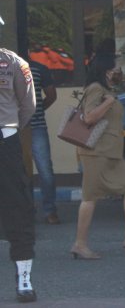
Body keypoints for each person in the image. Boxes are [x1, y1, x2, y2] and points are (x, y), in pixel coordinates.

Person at [70, 53, 125, 260]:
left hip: (111, 152)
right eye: (116, 68)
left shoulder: (106, 90)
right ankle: (80, 244)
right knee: (89, 197)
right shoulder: (96, 89)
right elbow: (88, 117)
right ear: (106, 70)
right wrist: (108, 102)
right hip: (96, 152)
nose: (118, 72)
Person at [0, 14, 38, 302]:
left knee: (18, 208)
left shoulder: (14, 63)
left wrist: (8, 130)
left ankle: (24, 279)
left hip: (6, 142)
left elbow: (28, 106)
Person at [28, 59, 59, 225]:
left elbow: (52, 95)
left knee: (45, 170)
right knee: (15, 172)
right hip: (12, 128)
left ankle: (50, 210)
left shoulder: (40, 69)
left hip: (35, 127)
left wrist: (37, 110)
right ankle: (28, 209)